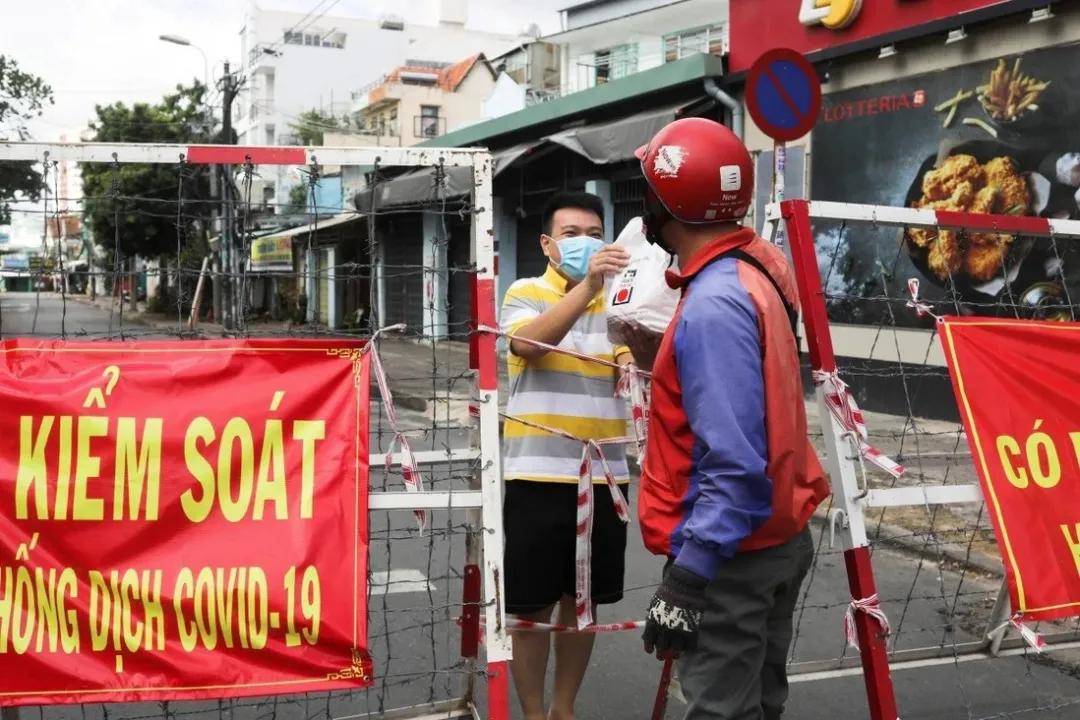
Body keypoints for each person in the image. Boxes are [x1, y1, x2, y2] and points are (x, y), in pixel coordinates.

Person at [628, 118, 831, 720]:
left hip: (732, 555)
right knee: (760, 704)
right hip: (776, 536)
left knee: (723, 710)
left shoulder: (714, 306)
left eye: (648, 190)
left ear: (666, 204)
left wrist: (690, 576)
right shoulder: (757, 267)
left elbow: (735, 460)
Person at [499, 191, 633, 720]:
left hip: (605, 478)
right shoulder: (525, 291)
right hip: (536, 474)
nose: (585, 243)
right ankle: (533, 713)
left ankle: (563, 709)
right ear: (547, 244)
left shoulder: (624, 300)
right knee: (530, 605)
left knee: (584, 603)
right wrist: (588, 288)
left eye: (595, 233)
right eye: (572, 234)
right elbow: (528, 345)